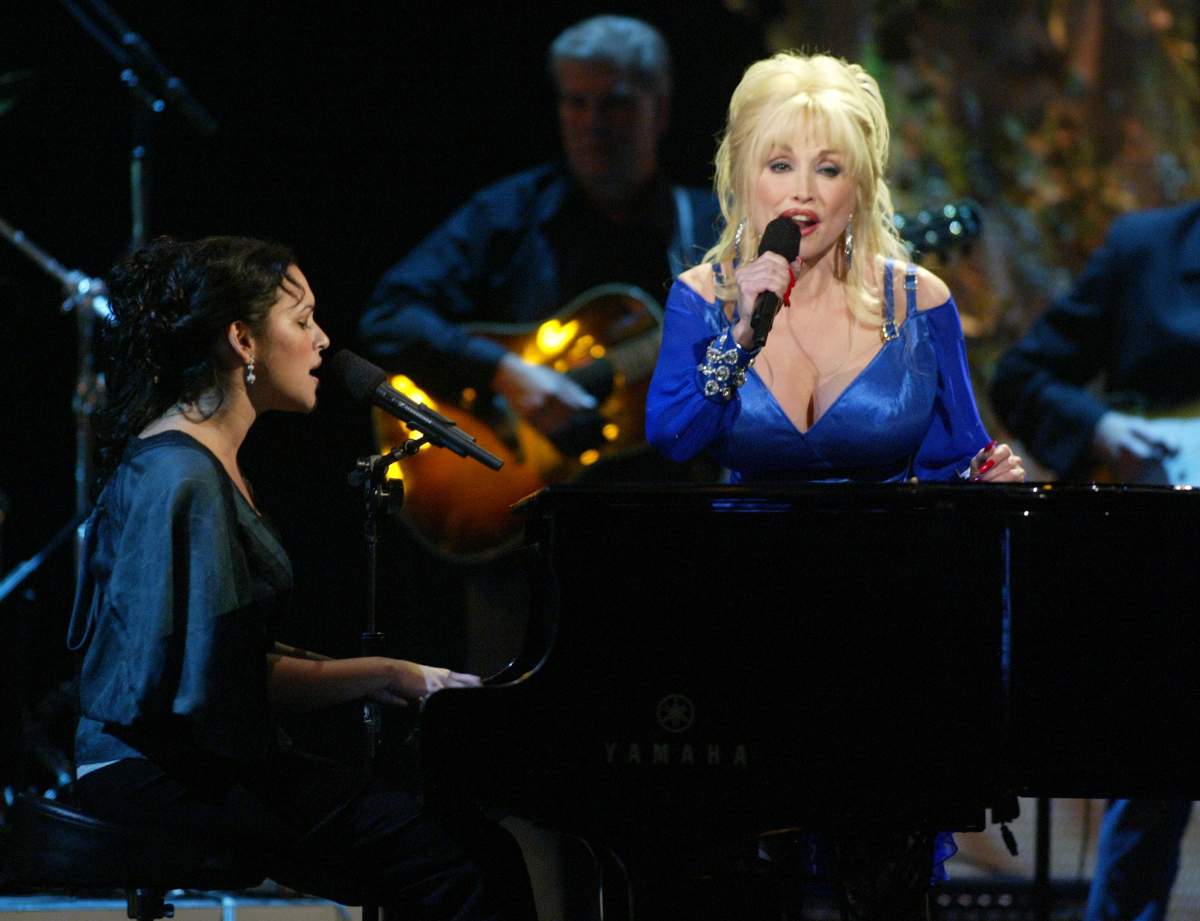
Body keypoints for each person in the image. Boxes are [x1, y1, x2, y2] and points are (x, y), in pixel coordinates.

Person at [645, 51, 1025, 919]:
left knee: (881, 881)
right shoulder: (700, 298)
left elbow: (958, 454)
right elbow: (672, 436)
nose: (801, 193)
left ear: (864, 183)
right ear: (740, 175)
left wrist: (987, 472)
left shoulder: (916, 300)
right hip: (745, 627)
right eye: (779, 166)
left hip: (888, 630)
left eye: (828, 168)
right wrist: (740, 332)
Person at [66, 236, 535, 919]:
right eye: (303, 319)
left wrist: (393, 670)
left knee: (465, 844)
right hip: (156, 772)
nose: (322, 341)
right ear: (242, 340)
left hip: (181, 758)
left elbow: (223, 655)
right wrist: (390, 673)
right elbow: (219, 678)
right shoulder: (184, 475)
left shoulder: (204, 463)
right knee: (457, 859)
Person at [359, 13, 719, 445]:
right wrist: (504, 373)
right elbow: (389, 313)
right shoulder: (507, 213)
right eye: (576, 102)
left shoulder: (711, 224)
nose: (593, 124)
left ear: (660, 109)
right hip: (522, 491)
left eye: (615, 103)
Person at [990, 201, 1200, 921]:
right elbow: (1024, 376)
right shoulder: (1148, 247)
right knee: (1153, 765)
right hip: (1171, 570)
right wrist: (1106, 429)